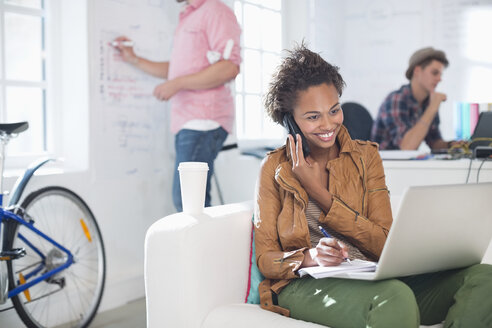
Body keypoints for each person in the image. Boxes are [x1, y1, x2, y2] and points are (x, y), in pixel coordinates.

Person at [255, 43, 492, 328]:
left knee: (483, 278)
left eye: (334, 110)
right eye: (312, 116)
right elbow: (266, 260)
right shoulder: (274, 168)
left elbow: (383, 243)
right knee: (393, 296)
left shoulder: (366, 157)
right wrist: (311, 256)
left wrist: (318, 192)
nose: (329, 124)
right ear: (289, 121)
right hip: (301, 285)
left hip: (370, 275)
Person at [113, 0, 241, 211]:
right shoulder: (190, 15)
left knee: (189, 203)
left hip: (204, 121)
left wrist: (178, 84)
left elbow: (229, 68)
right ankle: (206, 245)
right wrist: (134, 59)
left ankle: (206, 245)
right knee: (191, 203)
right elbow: (178, 71)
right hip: (191, 122)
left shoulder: (216, 11)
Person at [371, 47, 454, 150]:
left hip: (407, 164)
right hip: (383, 164)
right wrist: (433, 107)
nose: (439, 79)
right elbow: (407, 147)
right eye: (434, 73)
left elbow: (434, 142)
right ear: (417, 71)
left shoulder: (428, 102)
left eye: (440, 74)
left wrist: (454, 145)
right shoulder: (396, 99)